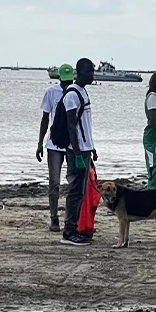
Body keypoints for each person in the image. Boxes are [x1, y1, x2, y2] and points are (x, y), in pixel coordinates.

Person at [60, 58, 98, 246]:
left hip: (85, 149)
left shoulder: (83, 92)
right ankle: (69, 231)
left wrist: (92, 148)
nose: (92, 75)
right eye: (89, 72)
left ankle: (74, 228)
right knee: (75, 192)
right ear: (79, 72)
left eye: (92, 71)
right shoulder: (72, 95)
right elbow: (71, 126)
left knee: (81, 192)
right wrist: (76, 154)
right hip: (77, 152)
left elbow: (85, 126)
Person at [36, 64, 74, 232]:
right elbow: (45, 119)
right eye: (64, 81)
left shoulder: (76, 93)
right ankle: (54, 218)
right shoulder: (51, 92)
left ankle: (72, 219)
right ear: (59, 79)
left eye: (69, 80)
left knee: (74, 184)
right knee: (54, 183)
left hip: (73, 144)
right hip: (54, 144)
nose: (67, 83)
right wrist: (39, 143)